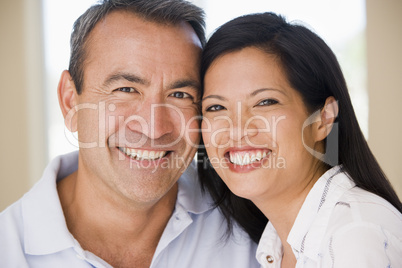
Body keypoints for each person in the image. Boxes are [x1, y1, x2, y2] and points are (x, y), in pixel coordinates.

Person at [0, 1, 260, 267]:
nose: (154, 128)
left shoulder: (256, 226)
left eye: (180, 95)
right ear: (70, 102)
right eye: (125, 89)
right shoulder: (7, 251)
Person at [198, 12, 402, 267]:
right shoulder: (275, 245)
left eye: (265, 102)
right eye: (216, 107)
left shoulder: (355, 237)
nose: (237, 130)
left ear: (323, 119)